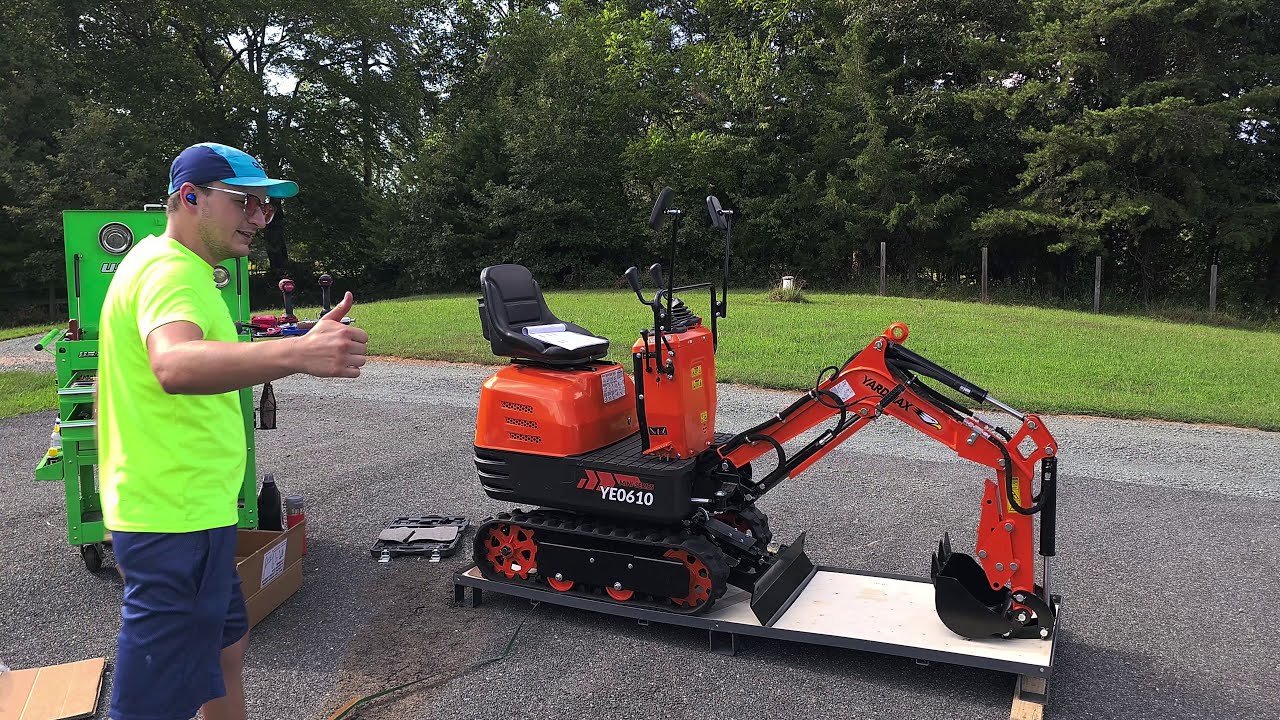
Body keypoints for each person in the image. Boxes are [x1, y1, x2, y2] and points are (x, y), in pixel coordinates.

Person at [96, 142, 368, 720]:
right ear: (190, 198)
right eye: (245, 203)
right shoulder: (173, 273)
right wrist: (295, 354)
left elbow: (144, 373)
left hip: (188, 510)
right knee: (152, 702)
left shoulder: (162, 264)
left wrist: (285, 346)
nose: (258, 219)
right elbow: (175, 364)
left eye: (265, 208)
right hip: (174, 516)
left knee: (226, 648)